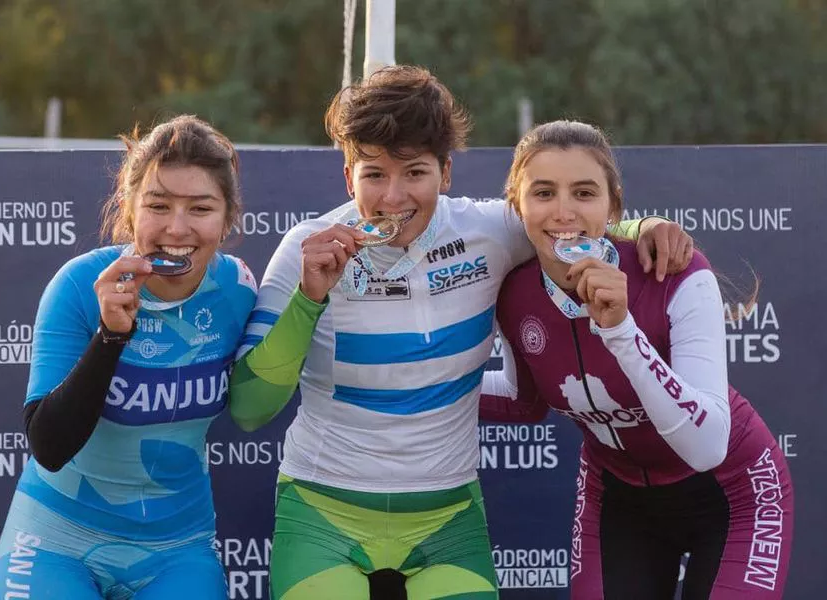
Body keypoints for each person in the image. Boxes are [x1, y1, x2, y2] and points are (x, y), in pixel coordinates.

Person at [227, 66, 692, 600]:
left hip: (446, 517)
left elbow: (565, 224)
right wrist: (309, 298)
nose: (393, 198)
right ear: (346, 175)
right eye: (374, 174)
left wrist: (642, 228)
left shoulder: (488, 231)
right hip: (321, 509)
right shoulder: (306, 247)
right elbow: (250, 409)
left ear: (446, 173)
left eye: (416, 173)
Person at [480, 120, 793, 599]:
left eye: (584, 193)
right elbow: (525, 403)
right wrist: (410, 382)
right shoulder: (514, 291)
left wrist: (621, 330)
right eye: (543, 193)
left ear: (614, 206)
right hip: (619, 497)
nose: (563, 212)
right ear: (516, 206)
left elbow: (708, 445)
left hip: (734, 491)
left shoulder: (673, 272)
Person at [0, 115, 257, 599]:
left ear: (228, 217)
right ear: (130, 210)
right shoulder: (78, 285)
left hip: (177, 547)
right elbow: (48, 446)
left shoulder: (238, 291)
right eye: (158, 205)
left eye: (200, 208)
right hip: (56, 538)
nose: (178, 228)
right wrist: (111, 334)